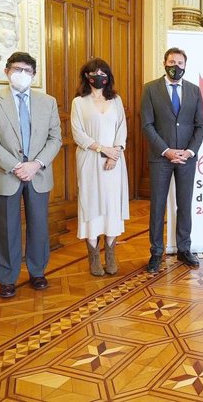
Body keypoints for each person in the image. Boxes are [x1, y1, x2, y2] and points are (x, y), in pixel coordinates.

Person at [0, 52, 62, 298]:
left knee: (38, 225)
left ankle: (37, 272)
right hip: (7, 175)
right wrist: (16, 166)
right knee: (7, 228)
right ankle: (7, 278)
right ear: (7, 71)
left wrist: (36, 164)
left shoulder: (48, 102)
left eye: (27, 71)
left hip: (39, 173)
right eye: (17, 69)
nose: (21, 74)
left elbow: (55, 138)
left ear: (34, 75)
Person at [141, 47, 203, 273]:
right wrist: (166, 150)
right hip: (161, 158)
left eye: (180, 63)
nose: (175, 66)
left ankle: (184, 249)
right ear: (164, 63)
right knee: (157, 206)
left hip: (187, 158)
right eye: (172, 62)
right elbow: (147, 125)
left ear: (185, 66)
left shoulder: (195, 91)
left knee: (184, 204)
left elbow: (200, 125)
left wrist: (189, 152)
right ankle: (156, 252)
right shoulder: (150, 89)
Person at [71, 58, 129, 276]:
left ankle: (111, 254)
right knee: (91, 202)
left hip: (114, 160)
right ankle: (94, 256)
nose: (99, 75)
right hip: (89, 159)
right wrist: (102, 149)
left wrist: (115, 153)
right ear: (87, 76)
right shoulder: (79, 102)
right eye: (94, 72)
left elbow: (122, 127)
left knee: (111, 204)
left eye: (103, 71)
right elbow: (78, 134)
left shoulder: (116, 100)